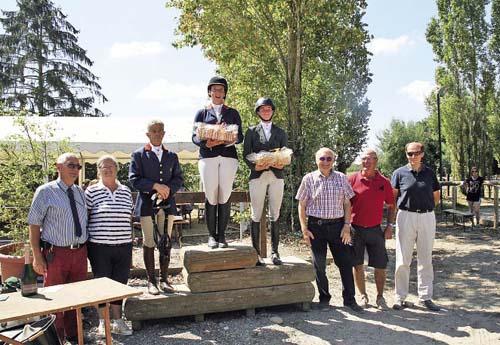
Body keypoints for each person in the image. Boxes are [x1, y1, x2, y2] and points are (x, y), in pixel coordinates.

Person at [27, 153, 88, 343]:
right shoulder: (45, 191)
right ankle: (56, 339)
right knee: (55, 297)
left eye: (77, 167)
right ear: (58, 167)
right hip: (56, 253)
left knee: (76, 296)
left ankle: (74, 336)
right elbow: (34, 224)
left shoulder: (79, 192)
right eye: (71, 165)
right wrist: (37, 256)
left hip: (79, 252)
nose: (75, 170)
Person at [296, 147, 363, 312]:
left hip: (338, 227)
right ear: (316, 160)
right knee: (319, 265)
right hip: (315, 227)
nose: (325, 162)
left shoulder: (341, 178)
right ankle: (324, 299)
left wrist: (347, 227)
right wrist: (304, 229)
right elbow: (302, 205)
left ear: (333, 161)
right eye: (322, 159)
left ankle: (349, 300)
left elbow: (348, 204)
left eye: (329, 159)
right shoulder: (308, 179)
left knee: (345, 264)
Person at [129, 120, 184, 295]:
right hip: (147, 205)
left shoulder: (172, 156)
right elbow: (134, 179)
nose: (158, 134)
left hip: (167, 205)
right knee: (149, 242)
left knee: (166, 241)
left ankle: (164, 279)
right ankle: (151, 281)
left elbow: (178, 178)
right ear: (148, 134)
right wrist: (155, 186)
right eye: (154, 131)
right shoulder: (138, 155)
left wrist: (167, 189)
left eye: (160, 131)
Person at [192, 76, 243, 249]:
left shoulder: (233, 113)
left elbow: (240, 136)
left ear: (225, 93)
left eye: (221, 89)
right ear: (209, 92)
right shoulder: (202, 113)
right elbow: (194, 136)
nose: (218, 92)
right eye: (215, 89)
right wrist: (207, 142)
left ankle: (222, 236)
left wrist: (228, 139)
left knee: (225, 194)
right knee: (211, 193)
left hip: (228, 156)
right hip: (208, 156)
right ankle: (211, 236)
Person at [85, 155, 133, 336]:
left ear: (117, 169)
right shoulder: (91, 192)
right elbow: (86, 217)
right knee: (102, 283)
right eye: (103, 167)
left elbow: (129, 217)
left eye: (111, 166)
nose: (108, 169)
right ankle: (103, 322)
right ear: (98, 170)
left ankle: (119, 321)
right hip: (99, 246)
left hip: (123, 245)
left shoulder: (126, 191)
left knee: (120, 283)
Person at [391, 142, 441, 311]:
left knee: (425, 258)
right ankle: (399, 296)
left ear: (422, 154)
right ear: (406, 155)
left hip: (427, 216)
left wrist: (425, 209)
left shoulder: (430, 173)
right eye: (410, 154)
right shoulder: (399, 173)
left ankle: (425, 296)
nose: (413, 156)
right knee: (402, 259)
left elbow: (436, 197)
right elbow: (393, 199)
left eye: (416, 153)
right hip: (406, 216)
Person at [348, 149, 395, 310]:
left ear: (376, 161)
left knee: (380, 265)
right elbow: (344, 204)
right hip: (355, 229)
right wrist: (345, 227)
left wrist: (390, 226)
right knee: (357, 265)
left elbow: (391, 206)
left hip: (375, 230)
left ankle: (380, 297)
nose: (366, 162)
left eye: (369, 159)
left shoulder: (384, 182)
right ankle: (362, 295)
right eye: (363, 159)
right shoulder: (352, 179)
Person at [243, 97, 287, 265]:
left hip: (276, 176)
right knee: (256, 213)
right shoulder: (251, 131)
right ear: (258, 112)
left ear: (272, 111)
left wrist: (281, 161)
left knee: (275, 213)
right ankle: (256, 253)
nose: (266, 111)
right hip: (258, 176)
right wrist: (256, 167)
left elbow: (285, 152)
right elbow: (246, 155)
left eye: (268, 109)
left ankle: (275, 252)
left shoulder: (280, 132)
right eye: (262, 109)